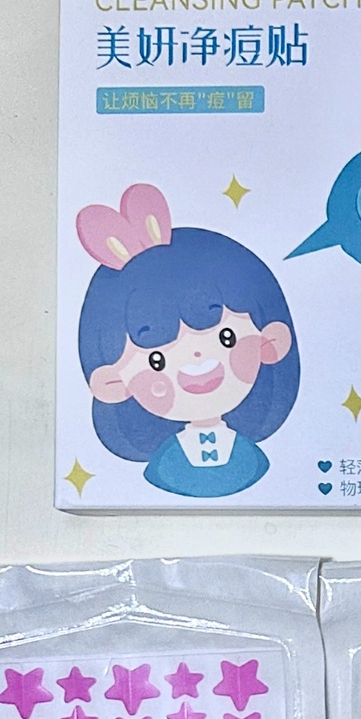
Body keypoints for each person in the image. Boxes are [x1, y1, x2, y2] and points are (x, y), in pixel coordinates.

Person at [76, 185, 298, 497]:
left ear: (270, 342)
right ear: (112, 383)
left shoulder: (251, 457)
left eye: (226, 338)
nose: (198, 359)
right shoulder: (165, 464)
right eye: (157, 361)